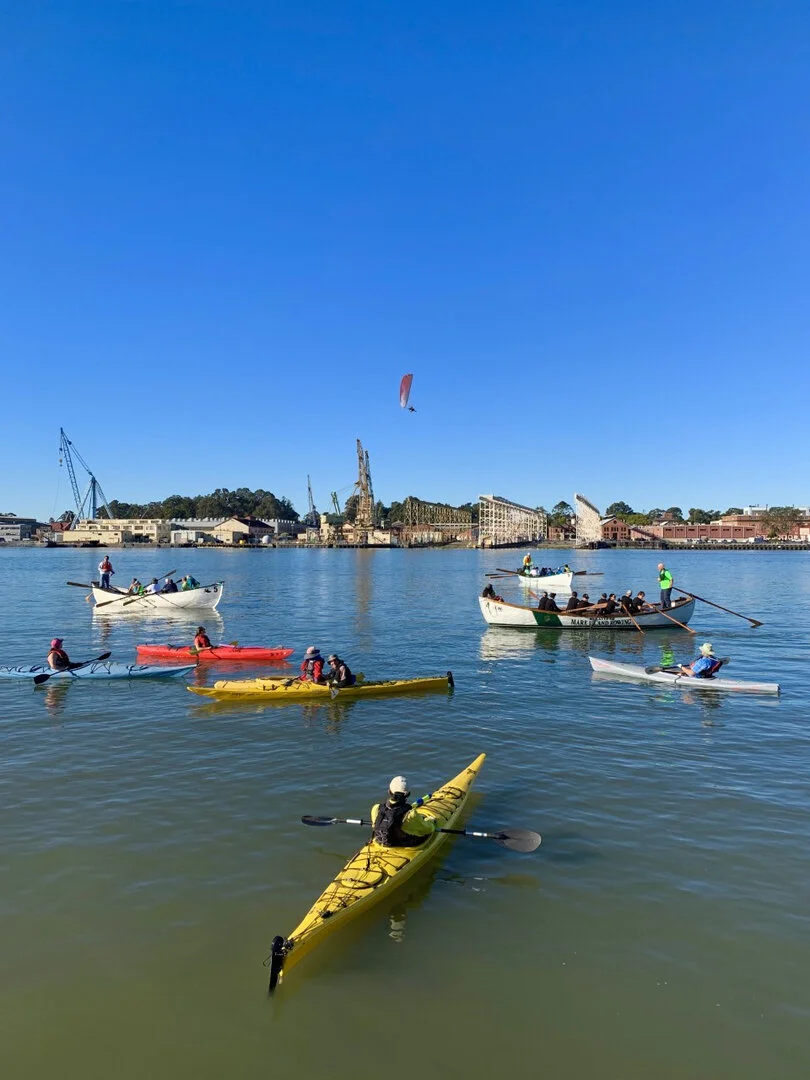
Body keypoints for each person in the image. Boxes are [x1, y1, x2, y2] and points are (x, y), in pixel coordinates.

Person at [371, 776, 438, 848]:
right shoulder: (410, 815)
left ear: (389, 791)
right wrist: (430, 820)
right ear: (408, 794)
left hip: (381, 842)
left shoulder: (376, 808)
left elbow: (374, 825)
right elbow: (428, 829)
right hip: (404, 844)